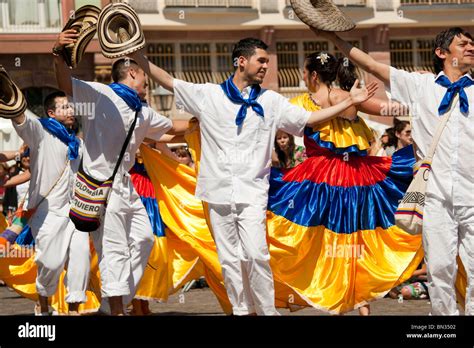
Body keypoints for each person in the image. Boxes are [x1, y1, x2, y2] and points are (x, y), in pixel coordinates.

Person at [129, 37, 376, 315]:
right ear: (241, 61)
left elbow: (309, 120)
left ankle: (268, 311)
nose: (266, 67)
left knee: (257, 255)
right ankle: (241, 311)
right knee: (230, 259)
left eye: (267, 62)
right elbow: (169, 81)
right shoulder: (209, 94)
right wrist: (139, 57)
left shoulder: (271, 101)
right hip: (216, 193)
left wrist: (349, 103)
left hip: (253, 193)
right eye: (261, 61)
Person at [318, 26, 474, 315]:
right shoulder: (420, 86)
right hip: (436, 198)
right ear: (442, 53)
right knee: (439, 269)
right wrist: (333, 39)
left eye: (471, 44)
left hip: (473, 196)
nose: (470, 47)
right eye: (462, 44)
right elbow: (372, 64)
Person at [266, 51, 422, 315]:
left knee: (317, 235)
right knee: (357, 236)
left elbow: (275, 122)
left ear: (313, 75)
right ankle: (360, 301)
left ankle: (333, 293)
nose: (302, 76)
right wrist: (418, 100)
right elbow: (387, 109)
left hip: (321, 177)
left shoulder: (304, 101)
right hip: (357, 177)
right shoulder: (344, 96)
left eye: (304, 72)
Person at [53, 30, 190, 315]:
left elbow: (172, 129)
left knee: (144, 239)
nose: (148, 84)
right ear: (131, 73)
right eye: (144, 77)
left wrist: (204, 119)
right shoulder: (100, 94)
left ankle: (113, 301)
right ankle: (116, 310)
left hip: (127, 186)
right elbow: (66, 82)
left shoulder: (143, 112)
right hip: (101, 187)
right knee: (113, 248)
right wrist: (58, 54)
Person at [8, 91, 90, 315]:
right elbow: (22, 120)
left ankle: (74, 309)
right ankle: (43, 306)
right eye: (64, 107)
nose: (71, 110)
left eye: (71, 107)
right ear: (51, 113)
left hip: (75, 211)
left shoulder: (78, 144)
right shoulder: (41, 131)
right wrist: (11, 98)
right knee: (51, 263)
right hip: (47, 211)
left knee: (81, 258)